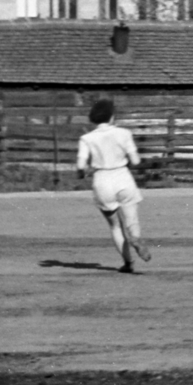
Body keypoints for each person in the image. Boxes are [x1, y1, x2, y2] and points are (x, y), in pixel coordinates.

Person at [76, 99, 151, 274]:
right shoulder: (124, 133)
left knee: (115, 226)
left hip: (102, 181)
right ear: (111, 117)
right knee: (131, 220)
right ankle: (136, 238)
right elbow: (136, 161)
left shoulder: (86, 138)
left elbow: (81, 166)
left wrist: (83, 173)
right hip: (123, 177)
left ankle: (128, 263)